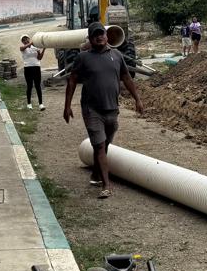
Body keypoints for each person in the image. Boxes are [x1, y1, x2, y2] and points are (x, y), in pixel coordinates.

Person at [63, 23, 145, 199]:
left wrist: (137, 99)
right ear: (90, 39)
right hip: (91, 109)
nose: (99, 37)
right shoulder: (83, 58)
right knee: (99, 145)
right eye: (95, 35)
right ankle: (106, 185)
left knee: (104, 144)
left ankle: (95, 173)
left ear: (107, 36)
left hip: (112, 109)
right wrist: (67, 106)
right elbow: (72, 80)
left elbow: (126, 77)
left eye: (102, 34)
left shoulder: (117, 55)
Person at [19, 35, 46, 110]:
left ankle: (41, 104)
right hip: (28, 68)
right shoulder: (22, 48)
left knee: (38, 86)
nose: (25, 41)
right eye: (24, 40)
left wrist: (44, 49)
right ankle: (29, 104)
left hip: (36, 67)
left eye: (26, 39)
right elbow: (22, 48)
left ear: (29, 39)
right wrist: (31, 43)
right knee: (29, 86)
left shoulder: (36, 48)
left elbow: (39, 58)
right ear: (22, 42)